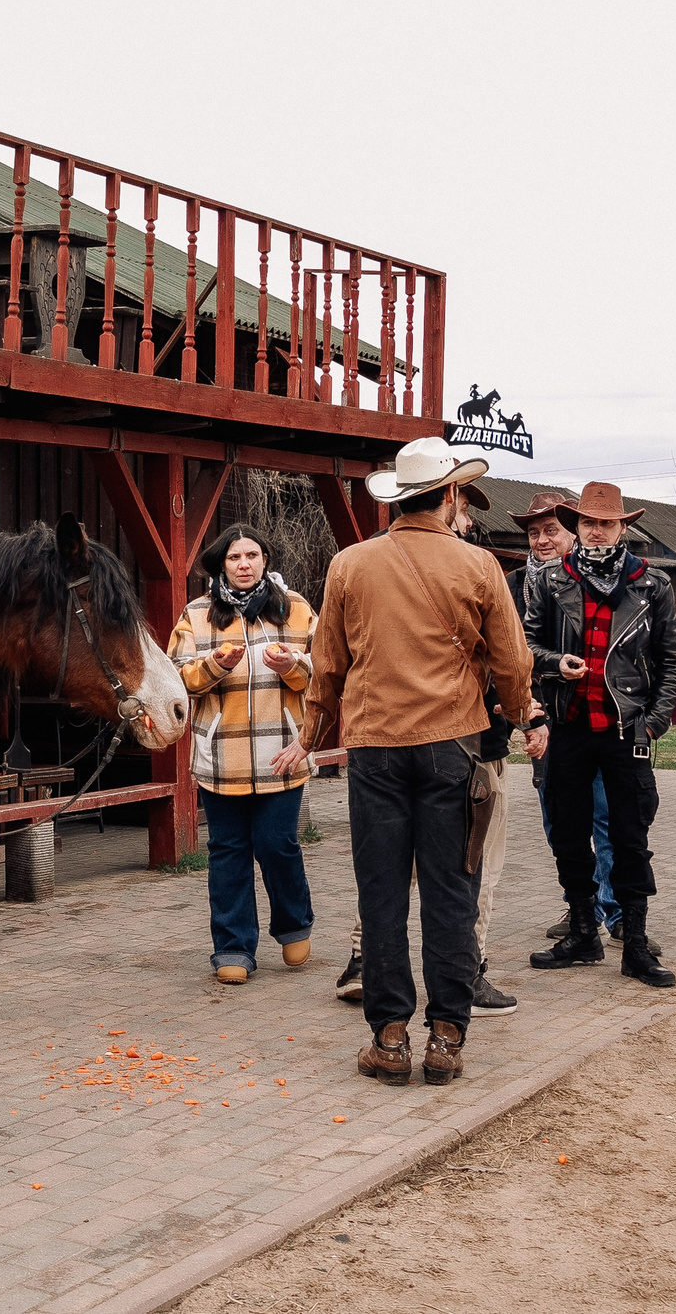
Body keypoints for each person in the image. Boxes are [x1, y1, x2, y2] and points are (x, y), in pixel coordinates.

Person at [303, 437, 537, 1086]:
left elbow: (326, 666)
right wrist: (516, 715)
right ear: (453, 495)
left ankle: (388, 1037)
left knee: (381, 894)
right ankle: (447, 1038)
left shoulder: (349, 564)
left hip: (374, 747)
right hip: (455, 746)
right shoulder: (479, 565)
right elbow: (515, 662)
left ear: (399, 498)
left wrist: (309, 733)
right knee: (451, 892)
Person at [526, 481, 676, 988]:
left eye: (607, 523)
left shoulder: (651, 584)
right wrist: (555, 663)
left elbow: (669, 660)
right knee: (569, 835)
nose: (597, 531)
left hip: (625, 728)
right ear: (577, 525)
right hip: (568, 726)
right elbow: (524, 646)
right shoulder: (550, 580)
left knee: (630, 837)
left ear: (623, 527)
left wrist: (655, 719)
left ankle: (634, 943)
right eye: (589, 523)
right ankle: (582, 930)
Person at [168, 523, 317, 986]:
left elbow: (325, 670)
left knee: (278, 844)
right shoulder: (196, 614)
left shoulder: (294, 610)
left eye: (252, 555)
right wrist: (215, 665)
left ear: (265, 559)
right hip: (221, 755)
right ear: (222, 565)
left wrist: (295, 665)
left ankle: (293, 923)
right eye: (235, 558)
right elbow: (176, 676)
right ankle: (233, 946)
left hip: (282, 751)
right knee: (228, 851)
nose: (245, 565)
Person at [508, 492, 621, 944]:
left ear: (572, 530)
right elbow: (507, 651)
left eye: (551, 530)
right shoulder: (511, 584)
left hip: (593, 717)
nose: (541, 540)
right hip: (540, 716)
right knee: (558, 818)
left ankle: (615, 910)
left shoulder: (593, 580)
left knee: (606, 817)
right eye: (533, 533)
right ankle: (582, 906)